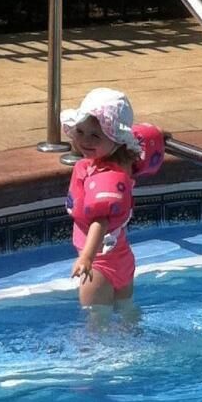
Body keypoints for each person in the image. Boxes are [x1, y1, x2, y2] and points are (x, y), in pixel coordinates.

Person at [62, 87, 165, 308]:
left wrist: (87, 257)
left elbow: (100, 221)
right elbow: (148, 136)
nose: (85, 141)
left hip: (99, 265)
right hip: (122, 259)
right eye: (80, 131)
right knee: (128, 314)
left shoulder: (104, 177)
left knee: (96, 322)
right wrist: (161, 135)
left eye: (95, 135)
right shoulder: (127, 160)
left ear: (116, 139)